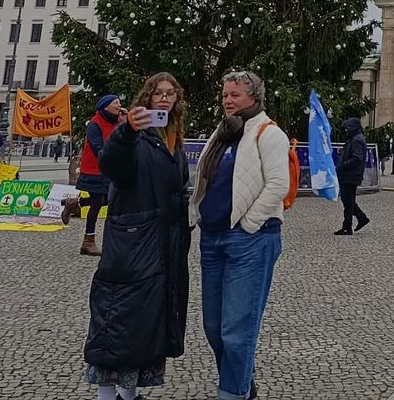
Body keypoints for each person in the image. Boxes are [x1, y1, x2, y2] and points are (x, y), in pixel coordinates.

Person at [85, 73, 191, 399]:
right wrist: (128, 129)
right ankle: (107, 396)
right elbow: (112, 165)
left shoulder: (173, 137)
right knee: (118, 322)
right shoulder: (133, 133)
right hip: (132, 243)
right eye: (158, 93)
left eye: (170, 93)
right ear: (147, 97)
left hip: (161, 245)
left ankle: (129, 395)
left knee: (144, 323)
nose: (164, 98)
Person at [190, 70, 289, 400]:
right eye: (224, 94)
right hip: (213, 237)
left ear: (254, 97)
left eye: (234, 94)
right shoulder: (222, 132)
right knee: (214, 327)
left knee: (237, 330)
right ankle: (242, 384)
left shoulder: (269, 133)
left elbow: (278, 184)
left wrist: (248, 223)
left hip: (251, 239)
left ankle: (233, 393)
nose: (227, 100)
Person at [62, 95, 123, 257]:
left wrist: (126, 122)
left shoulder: (117, 122)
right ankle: (88, 242)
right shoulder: (94, 124)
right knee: (97, 203)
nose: (119, 105)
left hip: (108, 169)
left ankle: (74, 203)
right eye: (115, 103)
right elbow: (98, 148)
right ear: (105, 107)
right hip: (94, 169)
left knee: (107, 200)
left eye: (119, 103)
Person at [335, 117, 370, 236]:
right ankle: (361, 218)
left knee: (348, 201)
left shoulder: (357, 140)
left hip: (351, 175)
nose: (345, 130)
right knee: (348, 200)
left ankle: (348, 226)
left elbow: (357, 158)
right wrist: (343, 152)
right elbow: (353, 153)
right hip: (349, 174)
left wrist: (343, 165)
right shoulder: (354, 138)